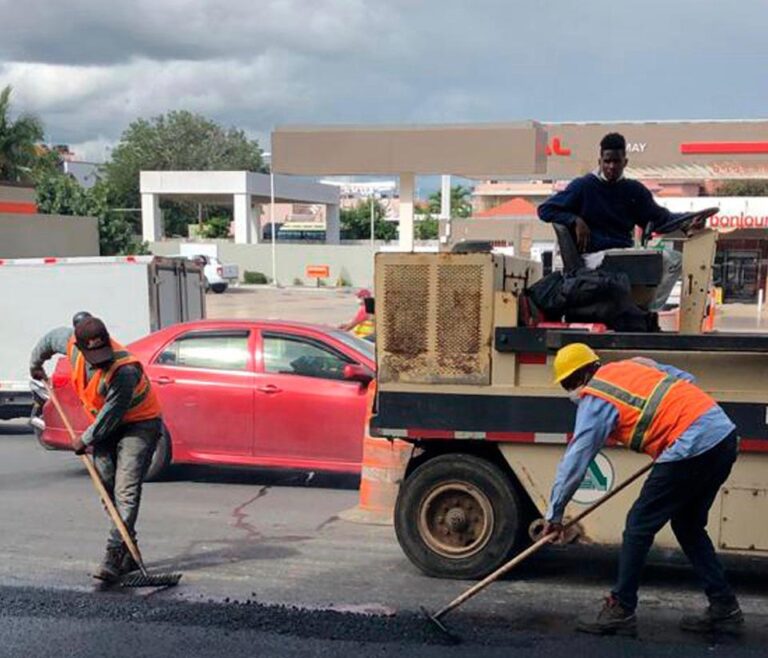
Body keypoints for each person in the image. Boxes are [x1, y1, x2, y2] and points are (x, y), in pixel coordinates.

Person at [543, 343, 742, 637]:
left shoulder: (595, 397)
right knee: (688, 525)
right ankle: (725, 606)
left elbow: (577, 459)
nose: (571, 392)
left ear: (583, 375)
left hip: (692, 445)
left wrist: (555, 514)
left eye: (570, 384)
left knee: (638, 527)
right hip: (723, 436)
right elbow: (686, 381)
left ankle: (621, 608)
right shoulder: (635, 365)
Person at [29, 316, 162, 583]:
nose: (101, 360)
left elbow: (111, 415)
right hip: (104, 425)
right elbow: (47, 341)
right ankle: (128, 550)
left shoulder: (124, 370)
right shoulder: (69, 343)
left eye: (103, 352)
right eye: (94, 355)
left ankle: (114, 555)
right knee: (106, 485)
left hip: (140, 424)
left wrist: (84, 439)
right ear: (78, 348)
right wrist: (35, 365)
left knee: (126, 489)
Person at [538, 133, 689, 310]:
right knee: (634, 261)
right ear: (599, 161)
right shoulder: (583, 186)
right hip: (595, 257)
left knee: (675, 260)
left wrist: (687, 219)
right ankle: (637, 312)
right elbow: (545, 209)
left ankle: (648, 309)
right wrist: (574, 219)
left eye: (616, 161)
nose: (611, 167)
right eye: (607, 161)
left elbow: (660, 218)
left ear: (625, 162)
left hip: (622, 254)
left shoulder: (634, 191)